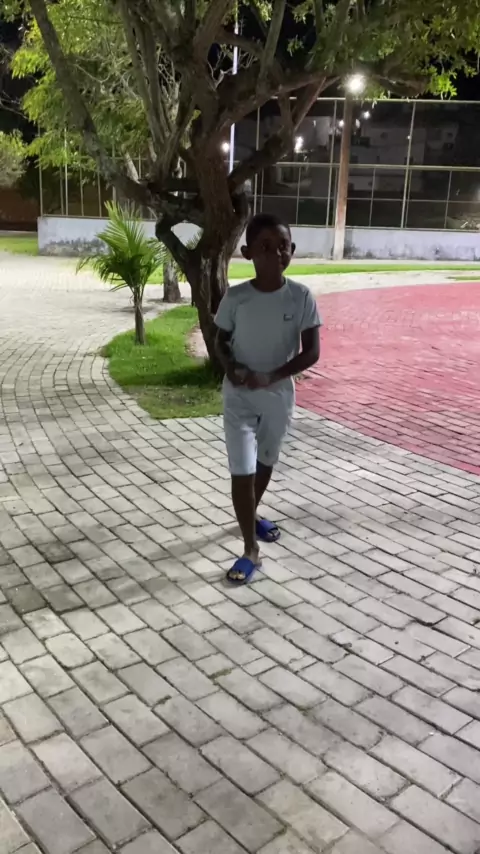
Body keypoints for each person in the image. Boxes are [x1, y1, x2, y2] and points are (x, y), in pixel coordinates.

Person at [214, 212, 322, 585]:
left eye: (282, 246)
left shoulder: (301, 297)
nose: (275, 253)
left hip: (278, 397)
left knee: (265, 461)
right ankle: (250, 549)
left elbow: (312, 352)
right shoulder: (237, 297)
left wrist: (272, 376)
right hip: (239, 398)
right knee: (241, 469)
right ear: (248, 253)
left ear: (292, 250)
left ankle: (250, 514)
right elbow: (220, 341)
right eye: (265, 246)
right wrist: (231, 367)